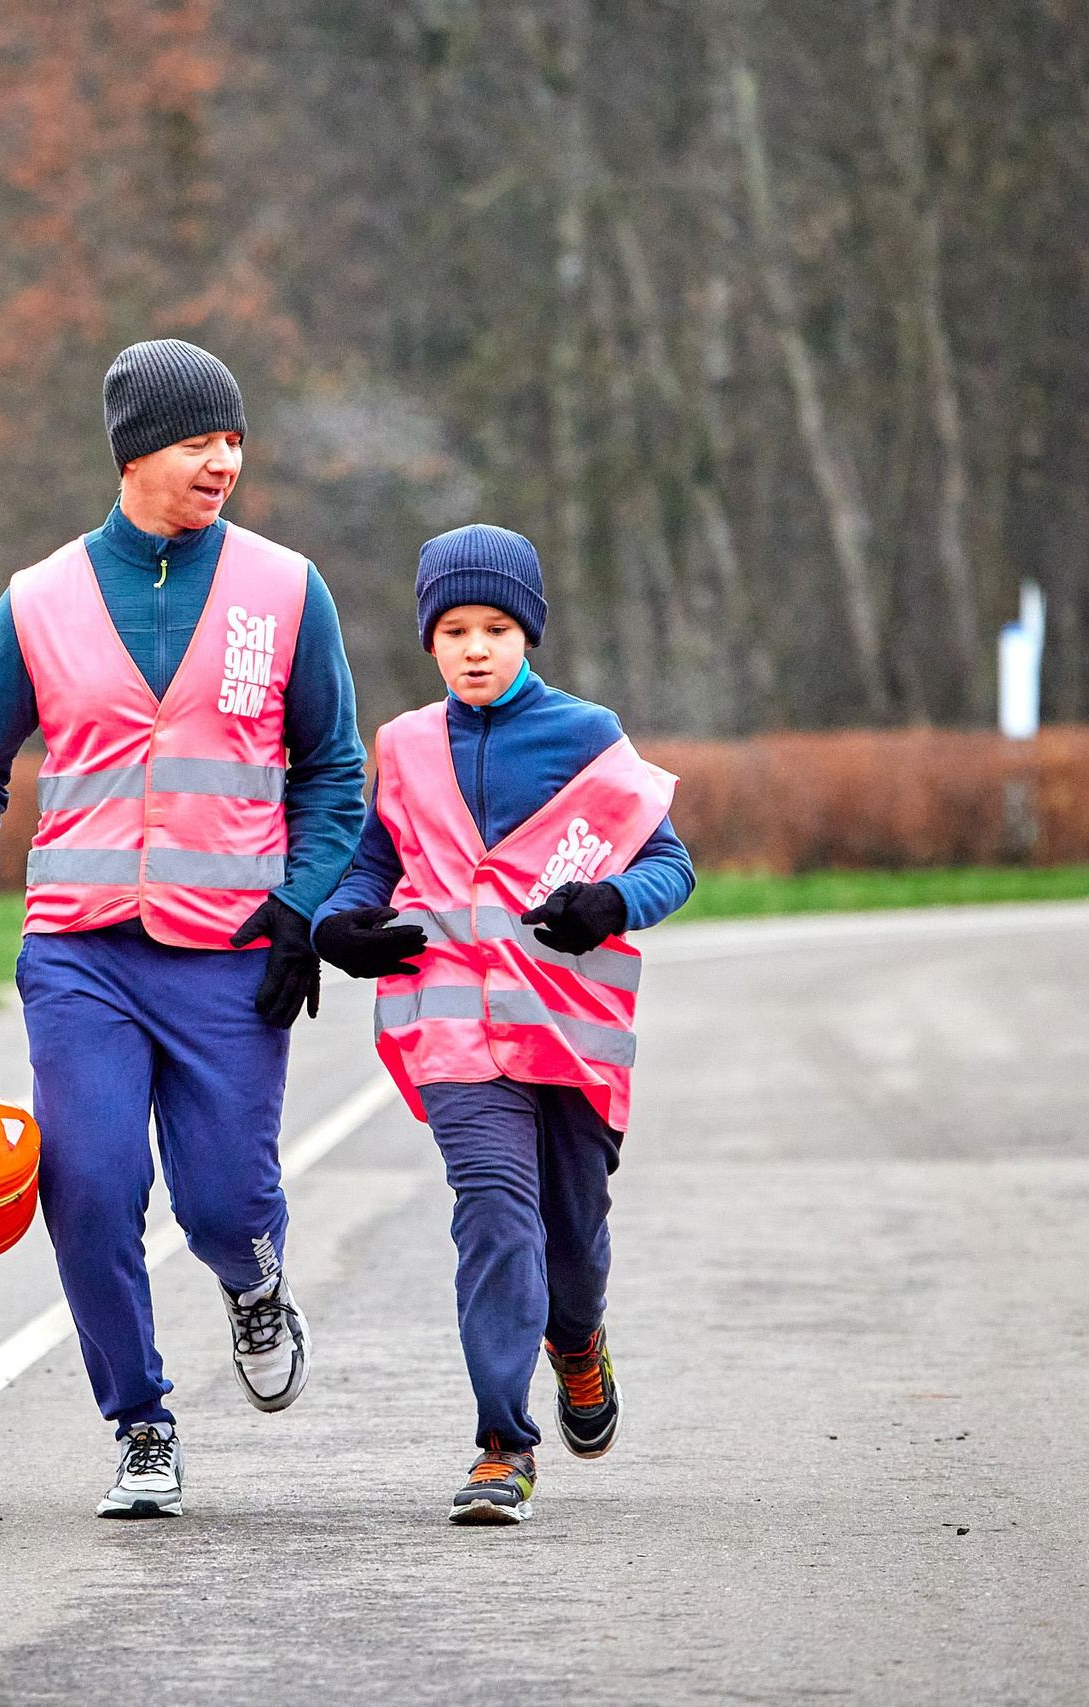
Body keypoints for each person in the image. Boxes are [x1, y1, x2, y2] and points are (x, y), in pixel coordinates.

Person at [0, 339, 367, 1518]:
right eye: (196, 441)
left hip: (230, 956)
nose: (223, 461)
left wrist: (300, 908)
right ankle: (141, 1424)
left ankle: (253, 1280)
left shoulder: (285, 588)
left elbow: (332, 772)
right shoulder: (40, 600)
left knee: (221, 1200)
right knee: (92, 1188)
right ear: (133, 451)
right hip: (80, 953)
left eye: (233, 440)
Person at [311, 523, 693, 1525]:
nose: (474, 649)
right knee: (492, 1219)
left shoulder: (585, 737)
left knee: (570, 1238)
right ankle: (499, 1443)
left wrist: (611, 903)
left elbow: (669, 865)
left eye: (494, 629)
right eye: (452, 631)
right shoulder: (402, 746)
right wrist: (339, 927)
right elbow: (368, 868)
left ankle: (577, 1341)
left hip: (568, 1038)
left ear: (528, 636)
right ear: (427, 642)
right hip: (455, 1039)